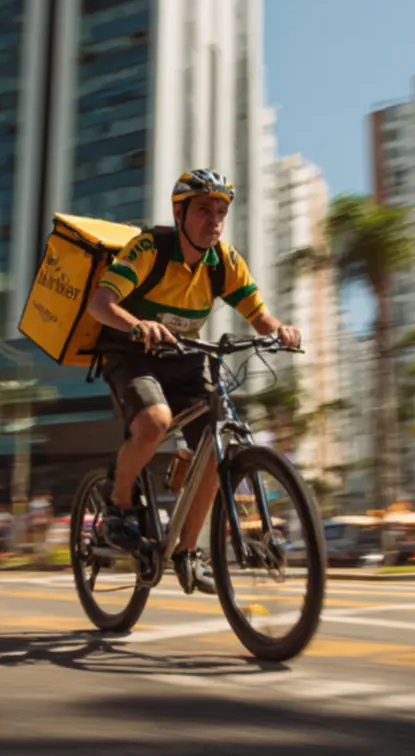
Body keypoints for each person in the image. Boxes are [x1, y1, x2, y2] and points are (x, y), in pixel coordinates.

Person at [86, 169, 302, 596]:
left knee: (215, 447)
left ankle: (187, 551)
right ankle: (118, 504)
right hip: (131, 352)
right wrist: (137, 325)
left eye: (221, 211)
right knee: (155, 421)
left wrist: (280, 329)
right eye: (205, 210)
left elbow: (258, 315)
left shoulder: (224, 262)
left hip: (184, 355)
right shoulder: (150, 248)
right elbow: (101, 302)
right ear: (179, 212)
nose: (215, 220)